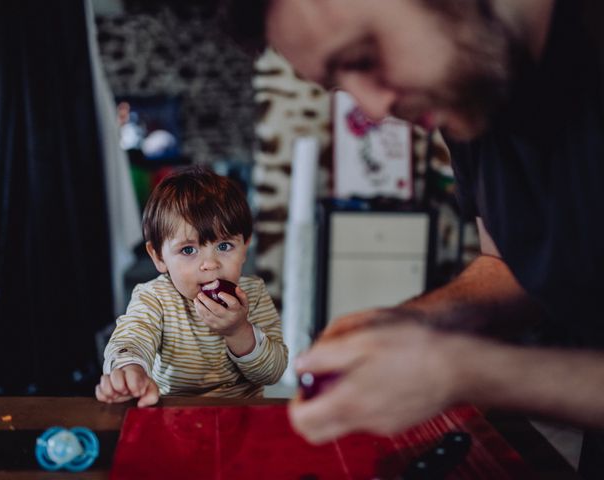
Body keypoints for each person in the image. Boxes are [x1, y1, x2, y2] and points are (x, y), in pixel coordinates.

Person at [219, 0, 604, 465]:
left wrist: (464, 370)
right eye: (341, 85)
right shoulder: (474, 99)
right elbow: (511, 268)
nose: (376, 108)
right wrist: (415, 320)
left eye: (365, 56)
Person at [96, 166, 288, 406]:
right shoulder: (154, 298)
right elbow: (132, 338)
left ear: (245, 246)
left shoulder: (253, 295)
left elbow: (273, 374)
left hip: (242, 418)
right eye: (188, 250)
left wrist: (238, 331)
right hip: (173, 417)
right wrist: (130, 369)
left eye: (225, 246)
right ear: (158, 257)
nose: (210, 264)